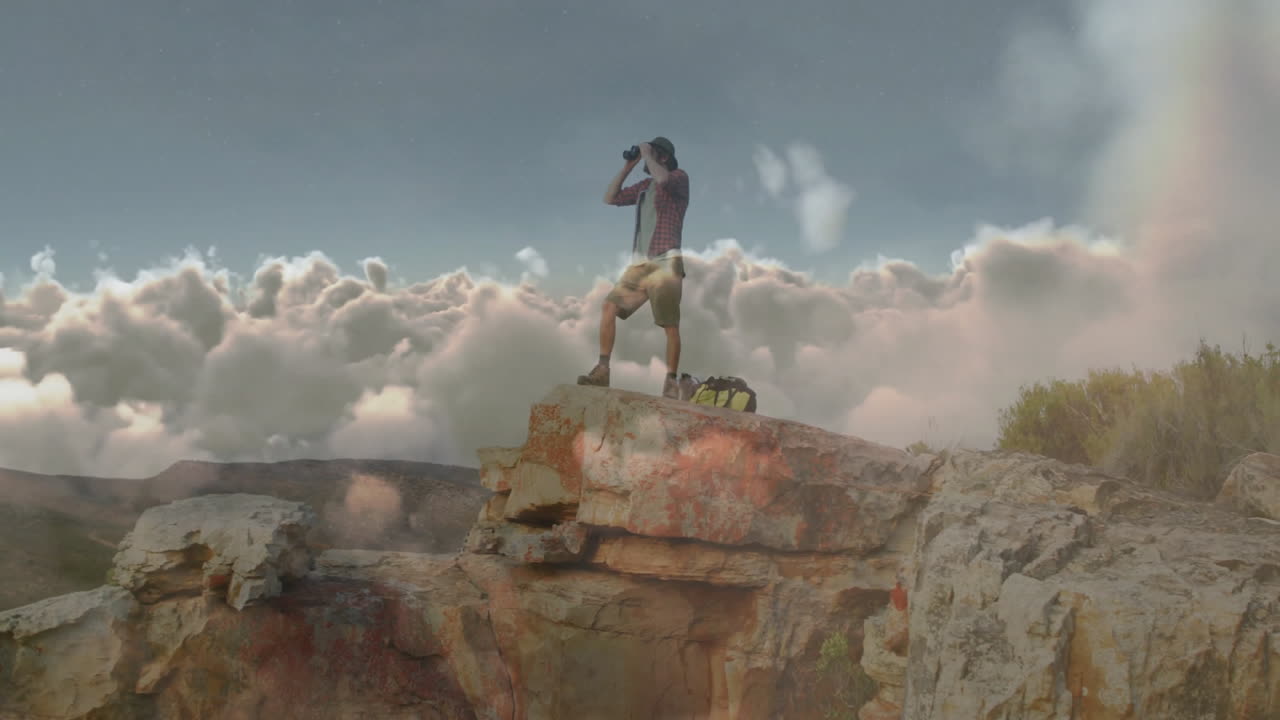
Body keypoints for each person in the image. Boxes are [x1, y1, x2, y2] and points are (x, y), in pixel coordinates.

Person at [577, 136, 690, 399]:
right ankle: (602, 370)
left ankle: (671, 382)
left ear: (663, 156)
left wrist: (648, 154)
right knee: (609, 306)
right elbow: (610, 198)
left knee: (669, 325)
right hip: (640, 264)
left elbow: (663, 179)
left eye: (655, 153)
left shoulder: (678, 178)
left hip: (666, 260)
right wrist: (629, 166)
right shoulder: (644, 187)